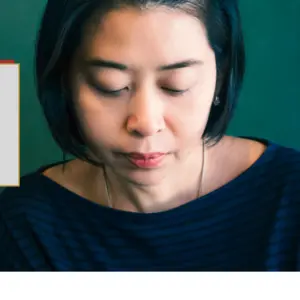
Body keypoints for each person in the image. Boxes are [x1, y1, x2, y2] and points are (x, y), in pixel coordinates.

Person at [0, 0, 299, 271]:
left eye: (177, 85)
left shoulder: (290, 196)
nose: (145, 123)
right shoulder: (24, 222)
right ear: (66, 85)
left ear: (219, 80)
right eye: (110, 85)